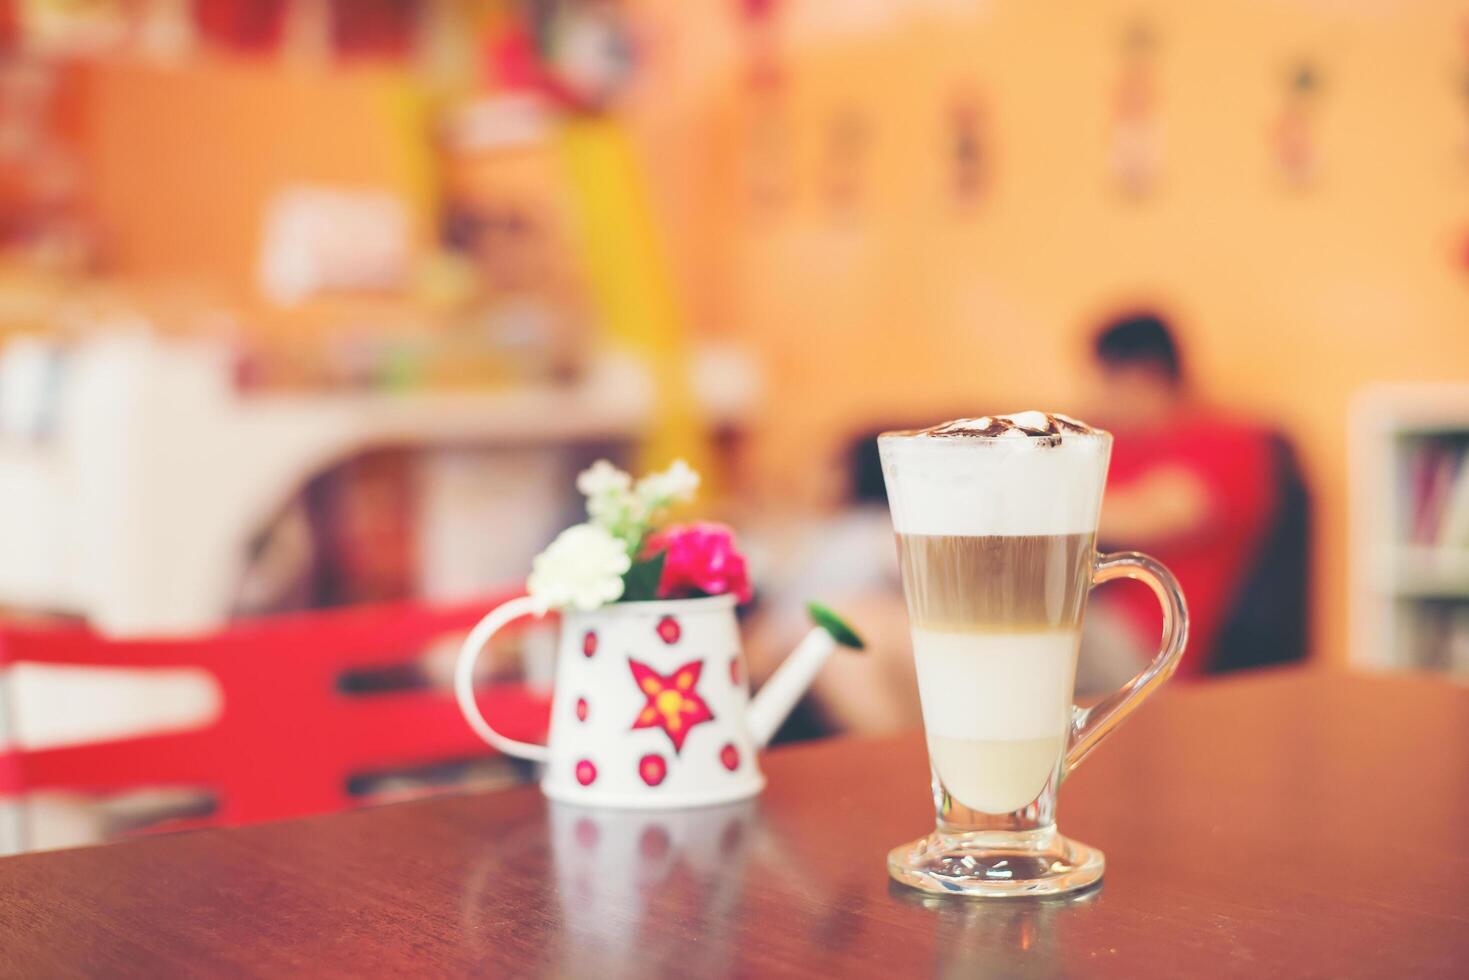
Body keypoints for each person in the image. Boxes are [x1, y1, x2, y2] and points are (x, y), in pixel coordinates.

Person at [1085, 311, 1283, 680]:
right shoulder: (1116, 442)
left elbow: (1155, 518)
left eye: (1107, 380)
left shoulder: (1224, 441)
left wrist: (1025, 507)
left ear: (1144, 375)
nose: (1099, 395)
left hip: (1155, 645)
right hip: (1099, 624)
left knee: (1021, 635)